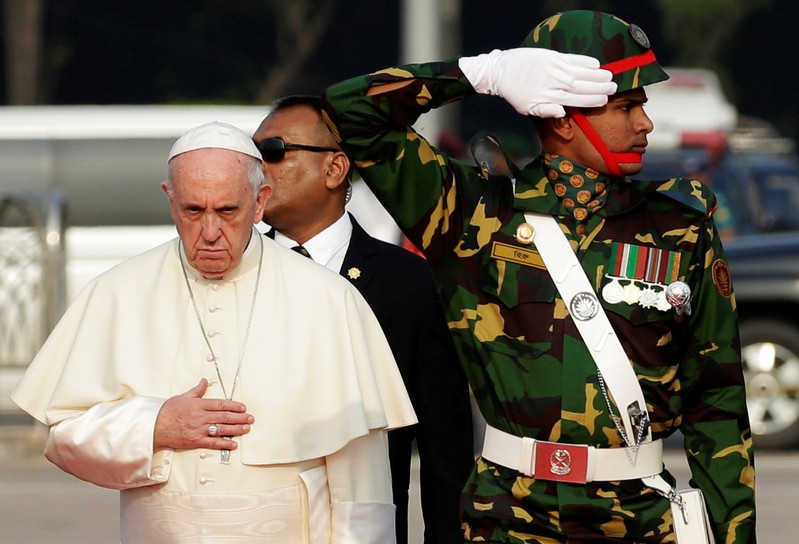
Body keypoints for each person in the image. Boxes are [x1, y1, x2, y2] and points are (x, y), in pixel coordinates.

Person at [321, 9, 756, 544]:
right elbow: (349, 112)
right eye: (626, 105)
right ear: (564, 118)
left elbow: (717, 406)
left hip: (640, 518)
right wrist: (482, 74)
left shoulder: (681, 223)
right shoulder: (469, 212)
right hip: (507, 516)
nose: (645, 123)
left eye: (642, 105)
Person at [10, 121, 417, 543]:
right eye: (192, 211)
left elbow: (362, 487)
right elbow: (64, 437)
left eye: (227, 211)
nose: (209, 233)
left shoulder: (328, 298)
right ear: (170, 200)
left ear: (259, 203)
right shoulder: (117, 291)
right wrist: (153, 425)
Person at [252, 94, 475, 544]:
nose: (257, 169)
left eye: (273, 152)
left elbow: (444, 450)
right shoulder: (233, 271)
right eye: (251, 154)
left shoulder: (408, 282)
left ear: (335, 168)